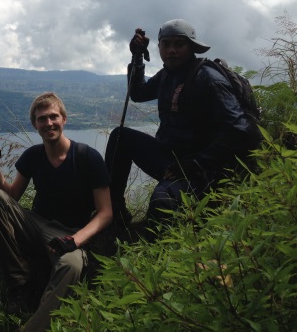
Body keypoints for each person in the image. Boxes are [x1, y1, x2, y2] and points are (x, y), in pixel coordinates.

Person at [105, 19, 262, 242]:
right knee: (121, 137)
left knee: (163, 201)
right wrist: (138, 55)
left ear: (191, 47)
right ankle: (115, 214)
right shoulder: (168, 74)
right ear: (158, 47)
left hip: (203, 169)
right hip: (171, 159)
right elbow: (138, 93)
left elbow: (239, 129)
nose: (171, 50)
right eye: (166, 44)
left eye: (179, 44)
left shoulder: (207, 77)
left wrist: (197, 163)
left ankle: (152, 251)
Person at [0, 92, 113, 331]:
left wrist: (74, 241)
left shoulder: (87, 157)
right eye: (42, 119)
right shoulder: (33, 155)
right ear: (35, 125)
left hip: (71, 233)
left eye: (53, 117)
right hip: (37, 224)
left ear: (64, 119)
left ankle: (34, 326)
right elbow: (10, 197)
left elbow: (105, 213)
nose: (48, 123)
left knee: (72, 266)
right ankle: (19, 285)